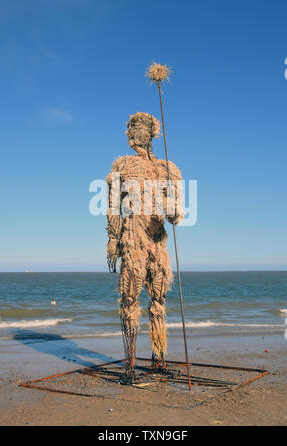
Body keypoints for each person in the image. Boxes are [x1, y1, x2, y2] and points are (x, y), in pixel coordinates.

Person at [106, 112, 183, 380]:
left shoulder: (167, 169)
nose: (135, 133)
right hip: (133, 237)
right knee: (129, 297)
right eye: (133, 128)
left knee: (158, 299)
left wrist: (173, 209)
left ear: (152, 132)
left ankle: (158, 357)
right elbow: (114, 205)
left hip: (156, 239)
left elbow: (176, 213)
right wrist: (114, 238)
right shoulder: (123, 165)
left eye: (141, 128)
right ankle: (129, 361)